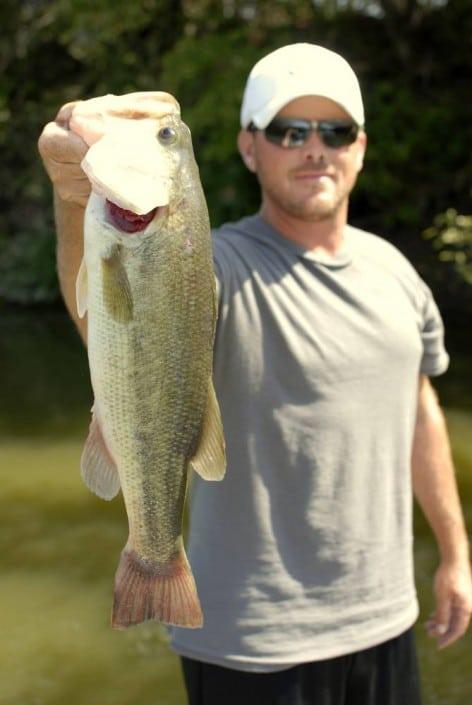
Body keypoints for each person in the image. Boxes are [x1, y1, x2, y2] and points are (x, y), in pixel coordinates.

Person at [38, 43, 471, 705]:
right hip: (250, 645)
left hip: (385, 623)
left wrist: (455, 552)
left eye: (336, 130)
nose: (314, 148)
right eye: (289, 131)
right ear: (248, 148)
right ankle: (155, 552)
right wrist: (75, 199)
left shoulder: (398, 273)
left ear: (359, 147)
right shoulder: (217, 265)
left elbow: (418, 410)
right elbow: (107, 322)